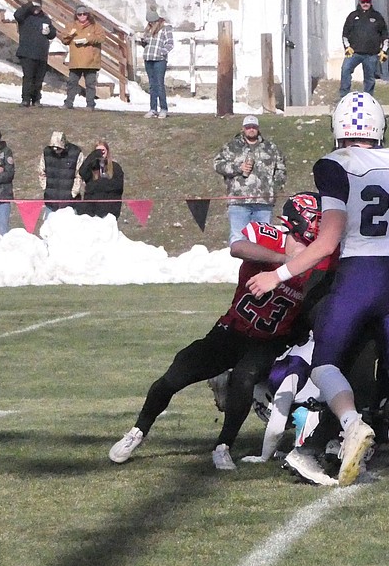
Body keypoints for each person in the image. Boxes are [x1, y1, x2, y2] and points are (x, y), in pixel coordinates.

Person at [244, 91, 389, 485]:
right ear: (380, 128)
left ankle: (353, 424)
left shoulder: (336, 165)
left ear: (338, 129)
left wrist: (278, 275)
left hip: (358, 274)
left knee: (323, 364)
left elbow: (327, 242)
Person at [110, 198, 323, 471]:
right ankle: (137, 431)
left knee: (244, 378)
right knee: (176, 374)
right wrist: (284, 262)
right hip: (232, 330)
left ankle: (224, 446)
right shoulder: (271, 238)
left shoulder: (319, 257)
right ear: (296, 220)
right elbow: (238, 247)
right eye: (314, 218)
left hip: (270, 341)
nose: (319, 225)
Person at [213, 114, 287, 244]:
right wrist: (237, 168)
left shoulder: (271, 148)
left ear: (258, 128)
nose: (251, 129)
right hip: (238, 202)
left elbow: (281, 169)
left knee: (263, 240)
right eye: (248, 127)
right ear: (243, 128)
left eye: (253, 127)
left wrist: (274, 188)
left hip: (264, 203)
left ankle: (261, 264)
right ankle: (239, 263)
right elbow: (218, 164)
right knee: (238, 238)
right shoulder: (231, 147)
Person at [339, 0, 388, 99]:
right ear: (360, 2)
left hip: (371, 54)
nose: (365, 4)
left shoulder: (377, 16)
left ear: (371, 2)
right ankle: (344, 96)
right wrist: (347, 47)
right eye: (363, 2)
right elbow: (345, 34)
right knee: (345, 69)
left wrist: (384, 51)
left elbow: (384, 35)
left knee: (370, 78)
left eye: (368, 2)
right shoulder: (353, 16)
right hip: (354, 52)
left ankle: (368, 98)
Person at [59, 5, 106, 110]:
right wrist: (70, 35)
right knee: (72, 83)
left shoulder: (95, 26)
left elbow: (102, 38)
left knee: (90, 84)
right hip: (76, 61)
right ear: (76, 15)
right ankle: (68, 103)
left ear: (88, 15)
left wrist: (88, 39)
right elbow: (64, 40)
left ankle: (90, 105)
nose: (82, 16)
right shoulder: (71, 26)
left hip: (91, 60)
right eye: (79, 14)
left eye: (84, 14)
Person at [13, 0, 54, 107]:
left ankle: (36, 99)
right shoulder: (24, 17)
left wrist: (49, 32)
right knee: (28, 77)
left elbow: (53, 34)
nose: (36, 9)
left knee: (39, 78)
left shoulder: (45, 18)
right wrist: (29, 5)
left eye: (38, 7)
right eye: (34, 7)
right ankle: (25, 99)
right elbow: (17, 15)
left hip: (41, 54)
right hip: (27, 53)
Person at [137, 8, 174, 118]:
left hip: (159, 60)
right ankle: (153, 108)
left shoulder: (165, 29)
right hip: (148, 58)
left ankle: (163, 108)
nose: (150, 23)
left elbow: (170, 44)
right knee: (152, 85)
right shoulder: (148, 29)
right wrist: (143, 42)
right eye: (149, 22)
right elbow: (149, 44)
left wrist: (161, 52)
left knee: (159, 84)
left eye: (152, 22)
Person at [39, 130, 83, 217]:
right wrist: (46, 188)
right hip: (50, 203)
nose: (55, 150)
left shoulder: (76, 153)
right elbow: (41, 172)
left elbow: (79, 175)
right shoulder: (46, 152)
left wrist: (73, 193)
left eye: (58, 148)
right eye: (53, 147)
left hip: (70, 204)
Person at [77, 139, 124, 218]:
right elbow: (82, 172)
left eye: (103, 150)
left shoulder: (115, 167)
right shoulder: (92, 167)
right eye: (98, 151)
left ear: (107, 151)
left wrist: (95, 185)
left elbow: (118, 186)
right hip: (91, 211)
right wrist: (93, 156)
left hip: (109, 210)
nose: (101, 153)